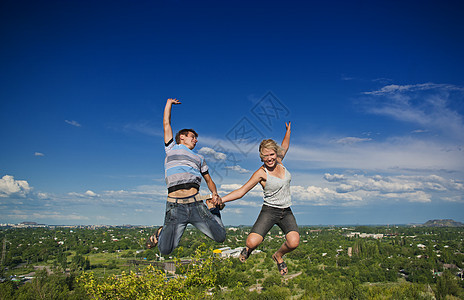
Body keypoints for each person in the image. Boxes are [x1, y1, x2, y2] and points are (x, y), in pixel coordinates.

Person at [146, 98, 226, 255]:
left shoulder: (199, 158)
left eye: (196, 138)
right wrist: (169, 104)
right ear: (182, 137)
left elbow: (209, 180)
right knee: (165, 250)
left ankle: (213, 210)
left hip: (196, 204)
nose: (195, 140)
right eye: (192, 137)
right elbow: (166, 124)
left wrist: (214, 195)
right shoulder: (171, 148)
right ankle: (161, 232)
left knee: (220, 236)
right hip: (175, 206)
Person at [219, 122, 299, 275]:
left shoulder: (280, 161)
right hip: (269, 211)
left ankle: (278, 256)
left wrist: (288, 131)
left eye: (271, 154)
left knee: (294, 242)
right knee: (252, 242)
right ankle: (248, 249)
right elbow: (242, 191)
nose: (269, 158)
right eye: (265, 156)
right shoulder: (261, 173)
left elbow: (285, 145)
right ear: (261, 157)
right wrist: (221, 200)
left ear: (276, 154)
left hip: (286, 211)